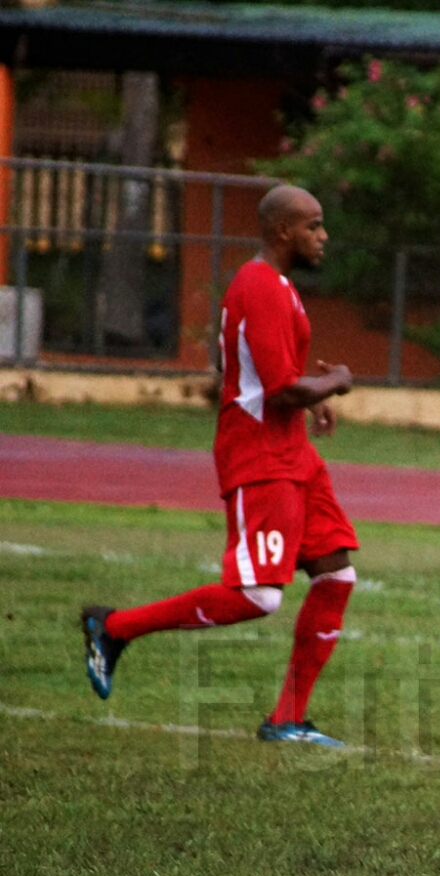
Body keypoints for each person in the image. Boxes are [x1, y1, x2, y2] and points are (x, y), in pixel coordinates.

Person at [79, 185, 357, 746]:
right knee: (259, 596)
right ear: (283, 231)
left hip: (293, 453)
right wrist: (336, 382)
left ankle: (287, 720)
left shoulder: (278, 286)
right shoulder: (259, 285)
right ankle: (112, 627)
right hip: (260, 456)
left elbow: (275, 377)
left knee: (335, 572)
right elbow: (279, 390)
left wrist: (316, 392)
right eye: (314, 226)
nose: (322, 236)